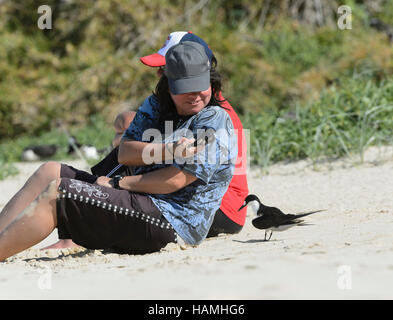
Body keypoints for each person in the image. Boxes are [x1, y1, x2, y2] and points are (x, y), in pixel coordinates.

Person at [0, 42, 237, 261]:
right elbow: (125, 153)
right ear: (169, 86)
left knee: (59, 192)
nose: (195, 96)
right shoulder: (156, 105)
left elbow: (174, 181)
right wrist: (168, 150)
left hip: (174, 223)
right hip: (143, 200)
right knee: (49, 171)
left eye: (201, 87)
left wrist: (118, 184)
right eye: (186, 89)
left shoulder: (214, 119)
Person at [112, 31, 249, 238]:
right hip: (202, 194)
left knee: (130, 134)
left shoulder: (212, 114)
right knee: (127, 137)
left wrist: (120, 180)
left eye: (165, 67)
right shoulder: (193, 102)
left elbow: (178, 178)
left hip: (223, 206)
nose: (159, 74)